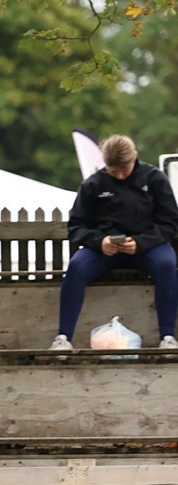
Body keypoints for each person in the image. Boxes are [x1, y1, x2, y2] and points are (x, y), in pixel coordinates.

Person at [49, 134, 178, 351]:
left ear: (134, 157)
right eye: (112, 170)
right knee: (77, 266)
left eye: (123, 170)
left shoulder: (154, 178)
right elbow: (76, 227)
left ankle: (167, 337)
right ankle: (63, 338)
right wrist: (100, 242)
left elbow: (170, 223)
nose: (118, 175)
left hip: (147, 248)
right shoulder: (93, 184)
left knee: (167, 264)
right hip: (105, 250)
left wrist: (141, 242)